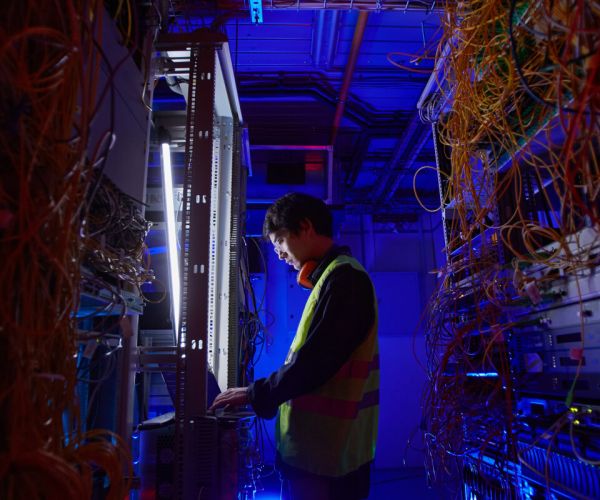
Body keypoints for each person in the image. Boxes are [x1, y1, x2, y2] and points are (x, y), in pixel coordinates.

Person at [210, 192, 379, 500]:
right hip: (321, 456)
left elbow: (317, 362)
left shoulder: (345, 279)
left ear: (305, 227)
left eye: (280, 242)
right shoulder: (331, 278)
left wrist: (254, 393)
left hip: (328, 461)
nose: (278, 254)